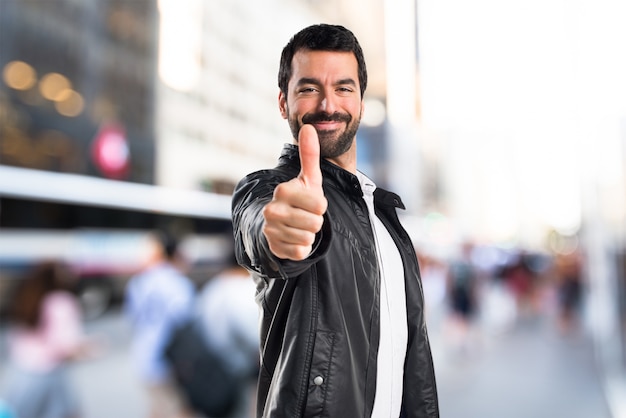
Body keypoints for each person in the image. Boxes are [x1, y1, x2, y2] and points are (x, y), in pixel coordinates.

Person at [231, 24, 439, 417]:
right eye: (309, 89)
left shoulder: (386, 219)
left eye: (343, 88)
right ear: (283, 103)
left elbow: (414, 362)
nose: (328, 104)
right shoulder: (268, 189)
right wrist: (282, 234)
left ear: (360, 101)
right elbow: (260, 227)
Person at [2, 260, 98, 418]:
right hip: (49, 374)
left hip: (21, 373)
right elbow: (67, 346)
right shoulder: (61, 301)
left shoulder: (26, 297)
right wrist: (91, 348)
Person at [124, 231, 196, 418]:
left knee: (158, 408)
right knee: (179, 410)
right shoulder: (178, 282)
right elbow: (185, 324)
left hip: (143, 356)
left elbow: (133, 318)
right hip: (170, 361)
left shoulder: (137, 282)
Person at [195, 251, 260, 417]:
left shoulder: (213, 286)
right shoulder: (242, 288)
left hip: (209, 363)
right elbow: (251, 334)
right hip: (235, 366)